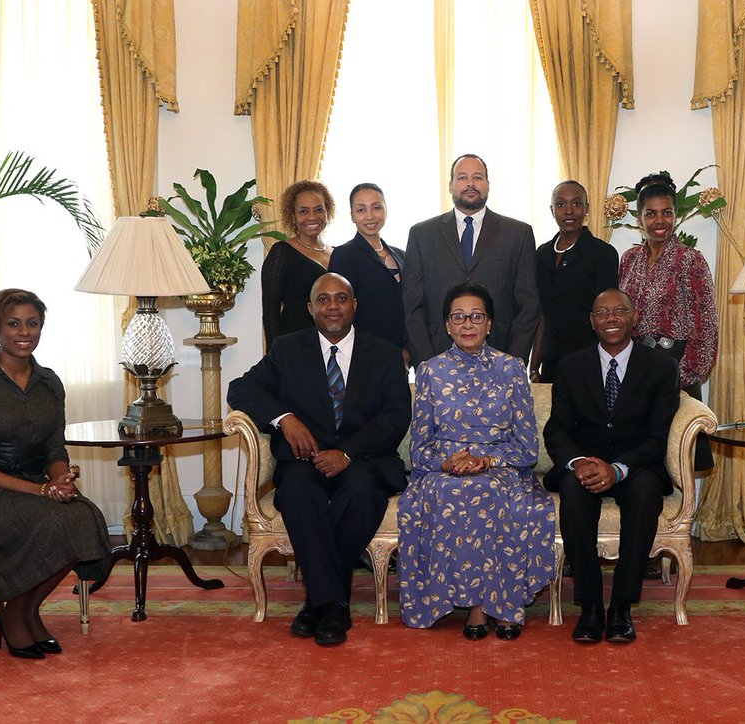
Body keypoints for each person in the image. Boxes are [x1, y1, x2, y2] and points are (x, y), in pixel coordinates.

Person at [227, 273, 410, 646]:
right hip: (305, 460)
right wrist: (285, 419)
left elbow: (394, 418)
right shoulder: (287, 349)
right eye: (323, 300)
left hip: (364, 459)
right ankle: (334, 603)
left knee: (362, 491)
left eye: (341, 298)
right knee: (296, 490)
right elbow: (240, 388)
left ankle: (318, 601)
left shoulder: (386, 353)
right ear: (310, 308)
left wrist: (346, 454)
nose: (332, 306)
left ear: (354, 305)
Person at [0, 289, 111, 660]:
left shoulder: (49, 383)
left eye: (32, 323)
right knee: (51, 519)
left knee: (83, 516)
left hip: (37, 485)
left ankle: (22, 611)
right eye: (13, 323)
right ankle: (18, 616)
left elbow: (54, 447)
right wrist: (41, 490)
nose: (24, 332)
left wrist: (61, 480)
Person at [398, 282, 555, 640]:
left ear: (489, 324)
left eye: (476, 316)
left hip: (500, 467)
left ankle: (496, 606)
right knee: (451, 492)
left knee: (492, 492)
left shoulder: (512, 368)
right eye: (458, 317)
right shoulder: (430, 372)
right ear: (448, 325)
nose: (467, 324)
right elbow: (419, 449)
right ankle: (479, 606)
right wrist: (447, 463)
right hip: (444, 469)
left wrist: (487, 459)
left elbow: (527, 448)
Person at [543, 288, 681, 644]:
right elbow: (557, 428)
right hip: (586, 465)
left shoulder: (661, 367)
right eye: (602, 313)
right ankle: (590, 606)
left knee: (646, 490)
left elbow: (657, 436)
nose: (611, 319)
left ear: (634, 317)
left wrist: (618, 468)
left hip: (636, 465)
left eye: (619, 311)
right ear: (592, 322)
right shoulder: (571, 366)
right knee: (572, 489)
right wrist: (578, 462)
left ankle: (621, 606)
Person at [618, 171, 717, 469]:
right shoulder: (629, 259)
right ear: (640, 218)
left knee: (675, 459)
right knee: (639, 457)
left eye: (666, 213)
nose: (659, 221)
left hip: (675, 365)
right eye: (651, 213)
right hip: (635, 367)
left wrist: (683, 377)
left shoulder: (691, 259)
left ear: (676, 216)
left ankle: (681, 516)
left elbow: (706, 325)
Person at [403, 154, 539, 366]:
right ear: (450, 185)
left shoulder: (518, 234)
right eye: (462, 177)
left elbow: (528, 304)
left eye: (477, 177)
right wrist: (426, 362)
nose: (470, 184)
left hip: (500, 357)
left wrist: (513, 362)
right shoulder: (421, 234)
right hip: (437, 355)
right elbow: (412, 305)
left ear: (488, 184)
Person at [530, 180, 619, 383]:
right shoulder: (541, 254)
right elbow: (540, 313)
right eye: (561, 205)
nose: (569, 211)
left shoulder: (601, 254)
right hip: (551, 361)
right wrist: (534, 366)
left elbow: (608, 315)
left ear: (586, 209)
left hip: (589, 361)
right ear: (552, 210)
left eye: (576, 204)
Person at [328, 183, 408, 360]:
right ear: (352, 215)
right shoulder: (344, 255)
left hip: (400, 354)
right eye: (361, 210)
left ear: (386, 210)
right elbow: (341, 311)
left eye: (376, 207)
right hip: (364, 354)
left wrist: (408, 349)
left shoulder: (402, 255)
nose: (370, 216)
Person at [260, 180, 335, 348]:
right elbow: (270, 313)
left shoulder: (338, 254)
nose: (312, 217)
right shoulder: (281, 252)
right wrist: (276, 359)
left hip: (333, 347)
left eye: (319, 209)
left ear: (327, 213)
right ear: (293, 217)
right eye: (303, 211)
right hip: (295, 347)